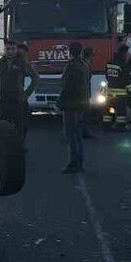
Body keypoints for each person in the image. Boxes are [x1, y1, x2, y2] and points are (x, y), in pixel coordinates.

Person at [0, 39, 37, 147]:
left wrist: (26, 94)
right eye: (7, 49)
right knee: (3, 125)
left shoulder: (22, 62)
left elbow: (35, 78)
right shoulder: (0, 62)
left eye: (12, 49)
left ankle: (19, 147)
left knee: (20, 126)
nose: (10, 51)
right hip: (3, 98)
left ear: (16, 50)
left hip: (18, 98)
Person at [57, 41, 90, 174]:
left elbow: (66, 87)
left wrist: (60, 103)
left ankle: (74, 163)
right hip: (82, 103)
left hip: (71, 104)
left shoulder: (70, 67)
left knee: (71, 135)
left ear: (69, 52)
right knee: (78, 135)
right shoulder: (85, 65)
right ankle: (79, 163)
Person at [102, 42, 131, 129]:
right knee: (120, 111)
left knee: (109, 110)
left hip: (110, 93)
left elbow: (107, 76)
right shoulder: (123, 64)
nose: (127, 55)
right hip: (121, 94)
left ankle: (107, 125)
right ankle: (120, 126)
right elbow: (126, 80)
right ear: (123, 53)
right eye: (126, 53)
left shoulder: (110, 62)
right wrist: (130, 90)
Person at [80, 46, 97, 139]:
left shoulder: (84, 64)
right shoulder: (85, 65)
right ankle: (84, 132)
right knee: (84, 114)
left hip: (83, 93)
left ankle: (82, 131)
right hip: (83, 94)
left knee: (83, 113)